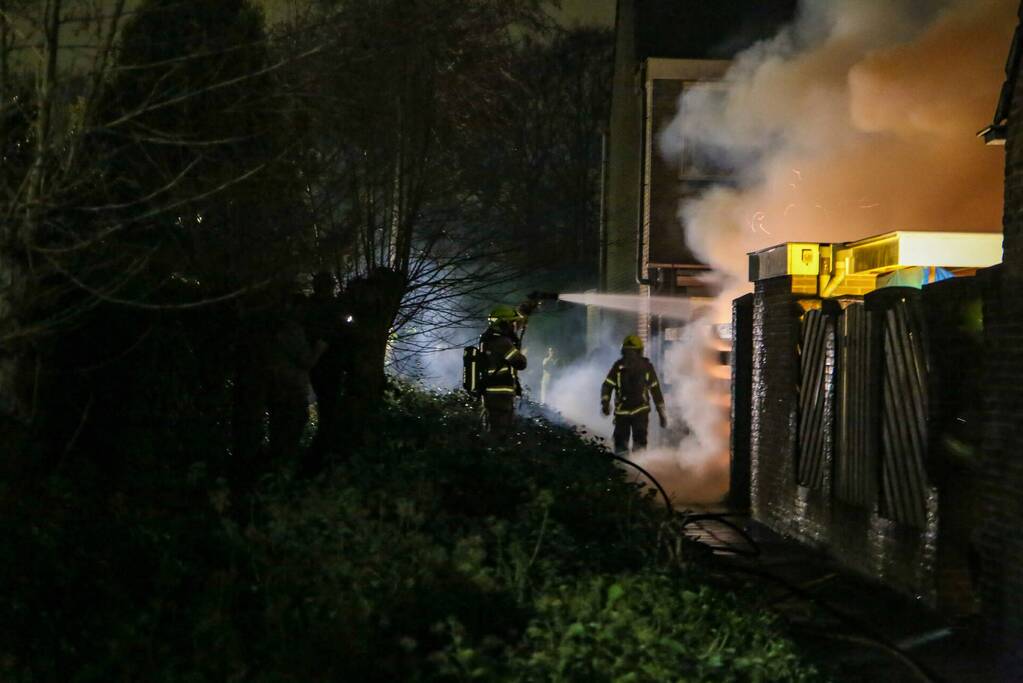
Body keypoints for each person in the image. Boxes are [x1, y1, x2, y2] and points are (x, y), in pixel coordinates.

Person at [600, 334, 666, 454]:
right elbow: (607, 385)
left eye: (632, 352)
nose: (630, 355)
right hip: (626, 413)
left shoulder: (645, 368)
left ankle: (635, 469)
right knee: (623, 446)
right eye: (628, 352)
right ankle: (625, 470)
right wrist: (605, 402)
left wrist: (661, 413)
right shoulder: (619, 367)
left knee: (636, 446)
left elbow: (655, 390)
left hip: (638, 412)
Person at [479, 305, 528, 434]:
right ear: (504, 323)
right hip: (500, 394)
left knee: (491, 427)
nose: (514, 325)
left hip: (490, 392)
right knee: (501, 432)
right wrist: (516, 346)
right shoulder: (502, 342)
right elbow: (521, 363)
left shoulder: (487, 339)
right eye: (512, 322)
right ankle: (497, 452)